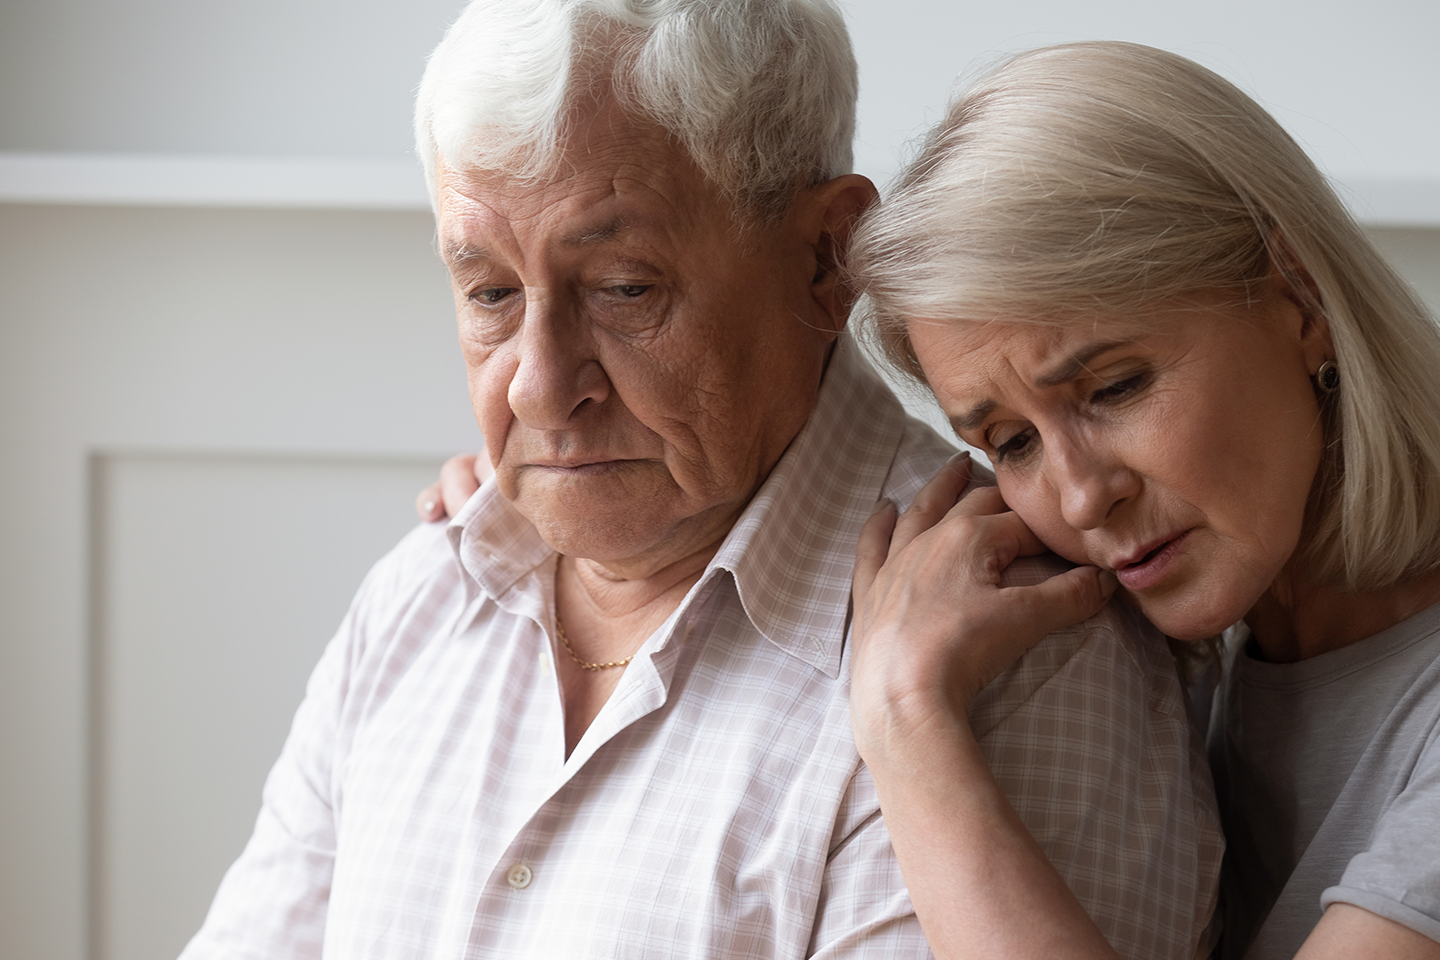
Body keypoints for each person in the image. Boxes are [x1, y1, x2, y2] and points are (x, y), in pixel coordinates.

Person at [178, 3, 1226, 958]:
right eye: (490, 292)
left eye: (625, 287)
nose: (541, 391)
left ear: (826, 260)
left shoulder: (1016, 644)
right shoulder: (420, 599)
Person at [840, 40, 1440, 960]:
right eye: (1011, 442)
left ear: (1300, 295)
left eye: (1115, 388)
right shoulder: (1189, 678)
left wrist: (905, 721)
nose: (1082, 497)